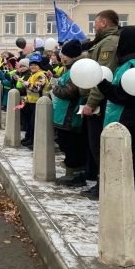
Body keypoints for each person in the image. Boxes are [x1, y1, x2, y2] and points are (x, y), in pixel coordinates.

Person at [96, 26, 135, 216]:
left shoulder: (134, 65)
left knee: (127, 167)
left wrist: (101, 83)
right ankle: (125, 204)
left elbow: (125, 96)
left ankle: (131, 208)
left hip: (128, 121)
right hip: (127, 119)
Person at [80, 10, 121, 199]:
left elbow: (103, 75)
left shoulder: (110, 43)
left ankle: (104, 185)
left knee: (99, 145)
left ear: (104, 23)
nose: (94, 27)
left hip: (102, 103)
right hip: (99, 101)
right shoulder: (103, 41)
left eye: (95, 23)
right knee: (94, 145)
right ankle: (100, 181)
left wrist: (91, 102)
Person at [51, 39, 88, 186]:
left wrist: (55, 87)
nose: (62, 57)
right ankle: (71, 171)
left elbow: (70, 92)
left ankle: (74, 174)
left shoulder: (76, 70)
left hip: (70, 116)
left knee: (71, 145)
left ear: (72, 55)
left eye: (65, 54)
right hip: (63, 115)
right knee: (66, 143)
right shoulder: (69, 69)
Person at [18, 52, 49, 148]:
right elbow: (30, 91)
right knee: (28, 123)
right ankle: (28, 138)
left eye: (35, 64)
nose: (32, 66)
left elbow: (36, 89)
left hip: (39, 104)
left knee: (34, 124)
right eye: (31, 64)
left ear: (39, 66)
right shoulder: (33, 75)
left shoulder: (41, 75)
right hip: (30, 103)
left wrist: (24, 82)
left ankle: (32, 141)